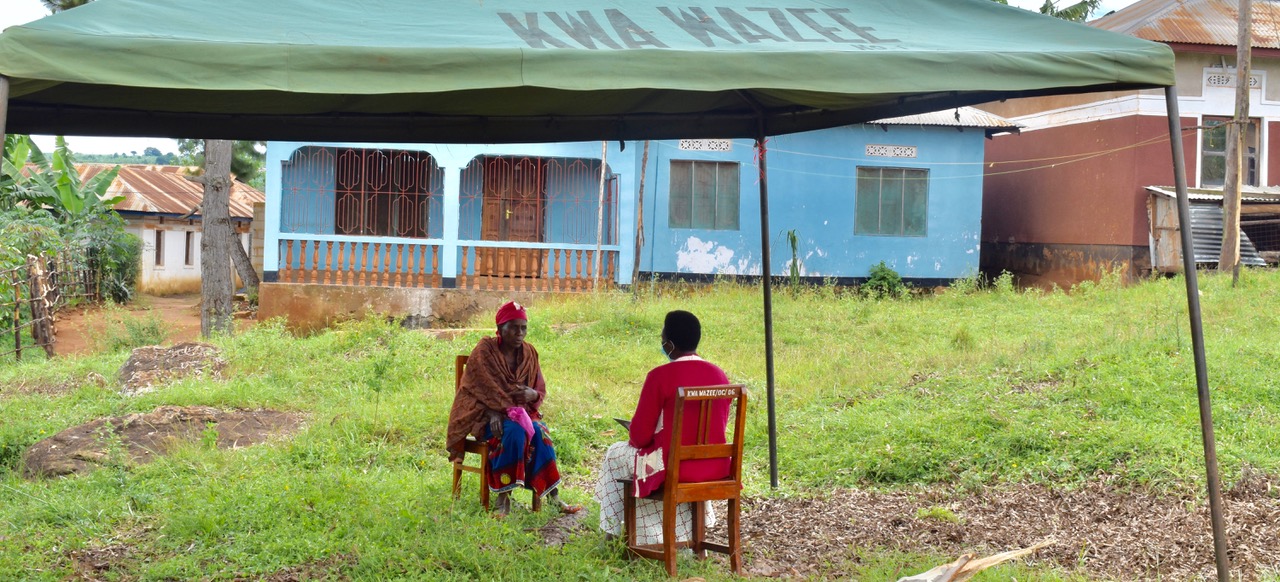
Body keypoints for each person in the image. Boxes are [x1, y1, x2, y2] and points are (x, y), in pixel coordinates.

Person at [594, 310, 732, 544]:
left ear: (669, 343)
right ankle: (686, 539)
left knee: (614, 454)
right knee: (645, 457)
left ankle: (613, 533)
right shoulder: (720, 375)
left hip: (671, 466)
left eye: (662, 336)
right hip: (715, 466)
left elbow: (639, 437)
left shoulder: (660, 376)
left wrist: (638, 432)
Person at [446, 301, 581, 517]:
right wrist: (492, 413)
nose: (520, 333)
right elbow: (470, 391)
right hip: (488, 419)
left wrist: (532, 395)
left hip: (523, 415)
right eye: (514, 327)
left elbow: (539, 390)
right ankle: (503, 499)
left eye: (524, 327)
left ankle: (553, 496)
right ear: (500, 329)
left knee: (540, 433)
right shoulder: (484, 352)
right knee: (514, 432)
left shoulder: (529, 353)